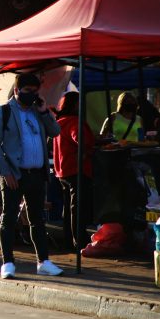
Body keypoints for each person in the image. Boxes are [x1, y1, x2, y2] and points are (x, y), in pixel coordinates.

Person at [0, 73, 63, 279]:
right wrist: (5, 172)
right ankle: (8, 262)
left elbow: (55, 131)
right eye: (28, 91)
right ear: (17, 90)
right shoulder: (3, 111)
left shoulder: (38, 111)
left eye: (35, 91)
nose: (32, 95)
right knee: (10, 218)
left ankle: (43, 261)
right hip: (14, 174)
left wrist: (45, 111)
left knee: (37, 219)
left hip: (37, 173)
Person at [53, 92, 95, 250]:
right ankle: (79, 241)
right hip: (76, 169)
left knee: (69, 207)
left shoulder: (60, 122)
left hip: (62, 170)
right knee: (77, 208)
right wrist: (84, 152)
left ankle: (70, 241)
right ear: (74, 105)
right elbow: (80, 139)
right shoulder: (74, 122)